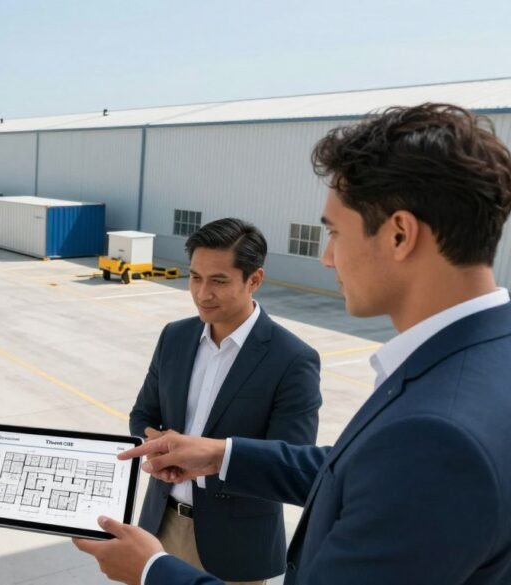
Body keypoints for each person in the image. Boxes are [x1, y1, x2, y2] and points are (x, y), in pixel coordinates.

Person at [74, 102, 511, 584]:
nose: (326, 258)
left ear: (400, 234)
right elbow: (357, 468)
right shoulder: (485, 360)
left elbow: (405, 463)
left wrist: (152, 570)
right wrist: (220, 454)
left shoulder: (437, 432)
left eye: (334, 233)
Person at [129, 218, 321, 584]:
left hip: (236, 546)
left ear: (255, 280)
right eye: (195, 277)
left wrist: (206, 461)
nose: (203, 293)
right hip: (161, 525)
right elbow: (142, 414)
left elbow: (290, 460)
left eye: (218, 281)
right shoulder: (175, 337)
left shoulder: (292, 359)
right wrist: (160, 446)